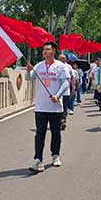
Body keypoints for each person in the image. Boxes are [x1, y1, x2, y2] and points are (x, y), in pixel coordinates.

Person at [25, 41, 70, 172]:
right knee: (40, 134)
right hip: (40, 107)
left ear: (54, 51)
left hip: (55, 107)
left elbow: (65, 83)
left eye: (48, 49)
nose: (45, 51)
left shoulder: (61, 66)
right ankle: (38, 159)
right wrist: (28, 71)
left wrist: (58, 95)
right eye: (44, 49)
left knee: (56, 133)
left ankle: (55, 155)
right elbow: (28, 78)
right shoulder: (38, 66)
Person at [58, 54, 75, 128]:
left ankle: (63, 121)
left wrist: (73, 86)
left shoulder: (68, 67)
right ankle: (58, 121)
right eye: (60, 58)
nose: (62, 60)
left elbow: (72, 77)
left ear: (66, 59)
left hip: (66, 91)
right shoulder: (56, 66)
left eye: (63, 58)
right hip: (57, 91)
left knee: (64, 106)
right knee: (58, 106)